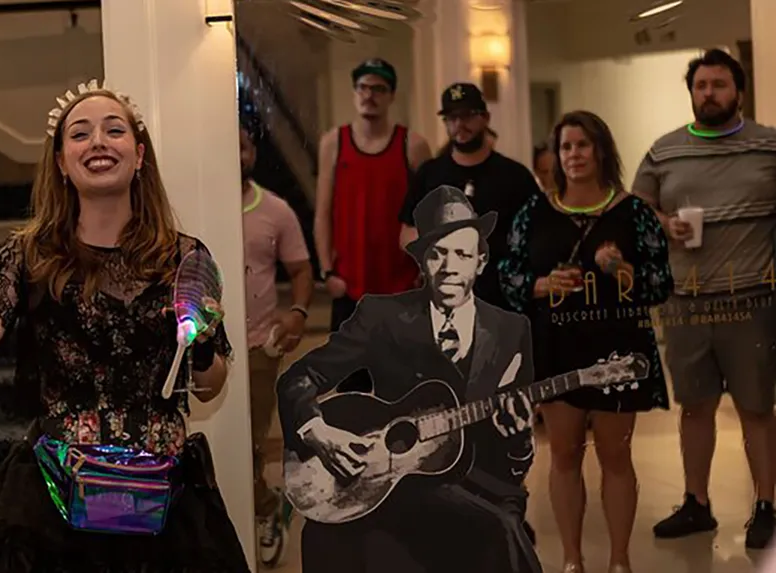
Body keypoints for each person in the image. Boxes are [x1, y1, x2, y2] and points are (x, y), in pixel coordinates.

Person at [0, 80, 250, 572]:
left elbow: (211, 387)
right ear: (62, 163)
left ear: (139, 154)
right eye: (80, 134)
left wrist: (199, 344)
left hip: (162, 502)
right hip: (57, 500)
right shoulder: (30, 254)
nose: (99, 142)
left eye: (114, 130)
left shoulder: (185, 257)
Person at [278, 186, 542, 573]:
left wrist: (519, 437)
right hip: (391, 487)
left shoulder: (511, 330)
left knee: (499, 528)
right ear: (422, 262)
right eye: (437, 253)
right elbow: (298, 379)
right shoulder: (381, 317)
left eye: (463, 254)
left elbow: (514, 463)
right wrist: (318, 430)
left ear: (481, 262)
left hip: (479, 486)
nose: (450, 267)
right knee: (326, 535)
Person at [498, 110, 673, 573]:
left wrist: (624, 271)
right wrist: (540, 285)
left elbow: (661, 283)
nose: (574, 154)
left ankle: (619, 560)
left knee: (617, 454)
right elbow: (506, 275)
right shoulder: (535, 212)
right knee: (564, 452)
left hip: (620, 349)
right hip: (558, 347)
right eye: (566, 147)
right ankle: (572, 560)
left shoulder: (633, 212)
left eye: (583, 145)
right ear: (556, 156)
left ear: (601, 151)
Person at [633, 48, 776, 550]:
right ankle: (697, 503)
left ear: (739, 91)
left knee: (757, 408)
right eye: (701, 86)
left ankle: (766, 505)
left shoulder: (769, 147)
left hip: (752, 300)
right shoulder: (664, 150)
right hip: (686, 302)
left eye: (719, 84)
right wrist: (662, 224)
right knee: (694, 406)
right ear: (691, 93)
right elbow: (640, 209)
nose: (709, 93)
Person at [313, 57, 433, 393]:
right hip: (350, 287)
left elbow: (431, 215)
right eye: (363, 87)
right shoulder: (334, 143)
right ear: (354, 93)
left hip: (399, 290)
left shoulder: (413, 145)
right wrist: (326, 271)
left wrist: (424, 269)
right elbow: (322, 212)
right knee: (350, 393)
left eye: (378, 89)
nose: (369, 95)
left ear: (391, 96)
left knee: (402, 390)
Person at [238, 116, 313, 567]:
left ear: (253, 154)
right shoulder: (192, 204)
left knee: (248, 442)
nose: (236, 154)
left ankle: (265, 514)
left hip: (257, 345)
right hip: (196, 344)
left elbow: (302, 272)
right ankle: (264, 503)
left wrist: (299, 313)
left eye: (244, 146)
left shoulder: (276, 210)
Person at [399, 83, 542, 313]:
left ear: (485, 118)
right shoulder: (430, 173)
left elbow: (536, 235)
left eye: (467, 116)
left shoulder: (514, 176)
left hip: (501, 301)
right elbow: (406, 233)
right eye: (451, 118)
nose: (459, 125)